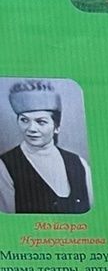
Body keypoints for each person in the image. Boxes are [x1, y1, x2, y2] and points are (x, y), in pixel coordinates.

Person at [3, 80, 92, 214]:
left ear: (56, 127)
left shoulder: (79, 163)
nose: (31, 129)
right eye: (24, 120)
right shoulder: (4, 166)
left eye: (41, 122)